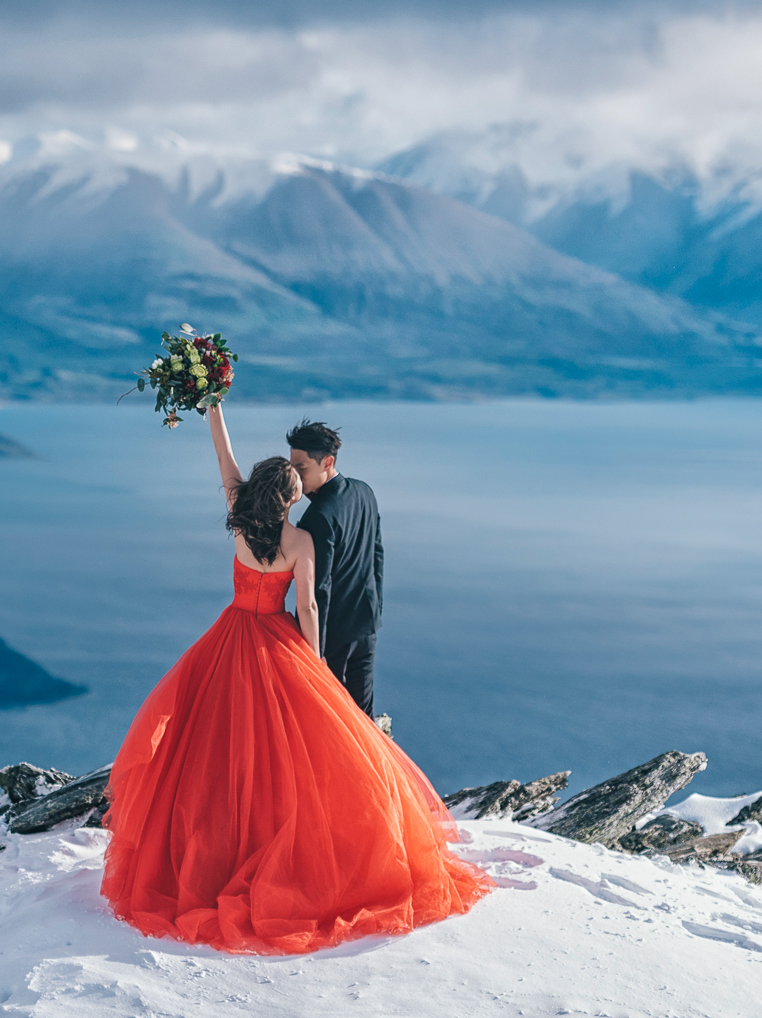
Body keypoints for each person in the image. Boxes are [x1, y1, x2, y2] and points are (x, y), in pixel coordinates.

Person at [98, 402, 489, 955]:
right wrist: (312, 666)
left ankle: (215, 850)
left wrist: (214, 406)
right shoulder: (299, 539)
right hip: (279, 641)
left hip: (230, 637)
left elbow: (223, 457)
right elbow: (307, 606)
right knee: (289, 757)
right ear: (289, 497)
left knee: (214, 748)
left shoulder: (238, 516)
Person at [287, 420, 382, 717]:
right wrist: (376, 611)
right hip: (366, 627)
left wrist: (317, 653)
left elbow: (319, 590)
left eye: (301, 469)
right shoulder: (365, 492)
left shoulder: (317, 517)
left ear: (327, 462)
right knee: (363, 718)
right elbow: (376, 555)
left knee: (334, 721)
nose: (296, 478)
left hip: (335, 639)